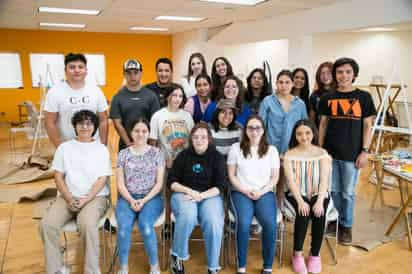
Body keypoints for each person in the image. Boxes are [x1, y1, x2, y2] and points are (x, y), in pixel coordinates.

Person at [39, 110, 112, 274]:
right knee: (47, 225)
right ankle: (56, 268)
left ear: (94, 127)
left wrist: (86, 199)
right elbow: (58, 176)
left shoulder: (101, 149)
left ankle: (92, 270)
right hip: (67, 196)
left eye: (89, 123)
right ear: (75, 126)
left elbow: (102, 180)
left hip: (94, 198)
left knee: (87, 224)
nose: (85, 126)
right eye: (81, 123)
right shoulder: (64, 148)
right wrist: (69, 197)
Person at [318, 57, 376, 244]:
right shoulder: (328, 98)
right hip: (330, 154)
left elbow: (368, 125)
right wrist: (320, 149)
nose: (343, 75)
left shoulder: (364, 97)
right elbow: (323, 124)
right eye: (340, 72)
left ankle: (346, 225)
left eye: (348, 72)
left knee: (347, 193)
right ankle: (334, 220)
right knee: (333, 191)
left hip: (352, 155)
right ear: (335, 75)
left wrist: (365, 151)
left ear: (354, 75)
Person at [168, 123, 226, 274]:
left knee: (214, 221)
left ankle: (213, 266)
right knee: (188, 215)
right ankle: (177, 256)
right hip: (184, 193)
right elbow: (172, 182)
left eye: (203, 137)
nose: (199, 140)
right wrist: (190, 191)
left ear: (209, 139)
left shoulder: (217, 157)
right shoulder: (183, 156)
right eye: (196, 137)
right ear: (191, 139)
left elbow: (221, 186)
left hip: (209, 195)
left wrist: (201, 195)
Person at [227, 115, 280, 274]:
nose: (254, 131)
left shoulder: (272, 150)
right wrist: (245, 190)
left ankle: (267, 267)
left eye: (257, 128)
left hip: (264, 192)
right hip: (241, 192)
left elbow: (274, 178)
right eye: (250, 128)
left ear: (263, 130)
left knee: (270, 224)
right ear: (245, 131)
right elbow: (232, 176)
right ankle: (241, 266)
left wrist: (261, 191)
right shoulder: (236, 148)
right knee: (243, 223)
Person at [115, 118, 165, 274]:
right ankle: (123, 267)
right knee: (123, 229)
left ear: (149, 133)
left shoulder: (157, 153)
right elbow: (120, 184)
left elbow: (159, 184)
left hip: (151, 198)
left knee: (146, 227)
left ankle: (154, 265)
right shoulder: (123, 154)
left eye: (144, 131)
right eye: (137, 130)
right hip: (127, 197)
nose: (140, 134)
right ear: (131, 133)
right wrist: (131, 199)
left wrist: (143, 200)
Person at [283, 119, 331, 274]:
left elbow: (324, 179)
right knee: (302, 213)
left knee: (319, 211)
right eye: (299, 134)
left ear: (313, 134)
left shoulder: (322, 153)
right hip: (297, 193)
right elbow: (291, 182)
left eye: (307, 133)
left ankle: (314, 254)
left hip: (319, 191)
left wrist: (319, 201)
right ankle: (297, 254)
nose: (304, 137)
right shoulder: (289, 155)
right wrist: (300, 201)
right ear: (295, 136)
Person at [44, 53, 109, 147]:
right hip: (67, 146)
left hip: (94, 145)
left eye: (80, 67)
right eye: (72, 67)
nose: (77, 70)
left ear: (86, 70)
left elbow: (103, 120)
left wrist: (103, 145)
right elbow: (49, 122)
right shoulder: (55, 92)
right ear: (65, 70)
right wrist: (59, 147)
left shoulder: (95, 90)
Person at [110, 59, 160, 151]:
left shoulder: (151, 95)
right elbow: (117, 124)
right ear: (124, 75)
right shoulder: (117, 97)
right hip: (125, 146)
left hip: (147, 145)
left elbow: (155, 121)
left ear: (141, 73)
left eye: (135, 72)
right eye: (129, 73)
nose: (132, 76)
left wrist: (149, 143)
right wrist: (128, 143)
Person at [259, 70, 308, 155]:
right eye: (281, 82)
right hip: (271, 149)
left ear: (292, 84)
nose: (284, 86)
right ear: (276, 84)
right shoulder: (267, 101)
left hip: (293, 149)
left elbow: (305, 128)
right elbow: (260, 125)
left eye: (287, 82)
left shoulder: (300, 104)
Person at [149, 83, 194, 168]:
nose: (177, 99)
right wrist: (158, 163)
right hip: (165, 165)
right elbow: (152, 144)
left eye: (180, 96)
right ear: (167, 96)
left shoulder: (187, 116)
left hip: (185, 164)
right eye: (174, 95)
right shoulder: (157, 116)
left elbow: (192, 141)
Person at [309, 62, 335, 128]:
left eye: (328, 73)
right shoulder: (314, 95)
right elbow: (312, 119)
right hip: (319, 131)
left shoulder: (339, 92)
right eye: (322, 73)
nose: (325, 76)